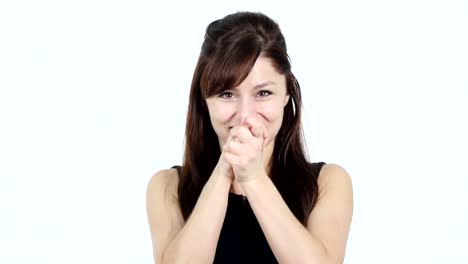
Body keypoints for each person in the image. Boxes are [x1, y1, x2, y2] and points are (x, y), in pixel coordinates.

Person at [146, 11, 353, 263]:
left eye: (263, 93)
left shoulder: (327, 183)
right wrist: (225, 171)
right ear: (205, 100)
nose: (245, 115)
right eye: (226, 94)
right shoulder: (168, 187)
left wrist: (253, 177)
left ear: (287, 94)